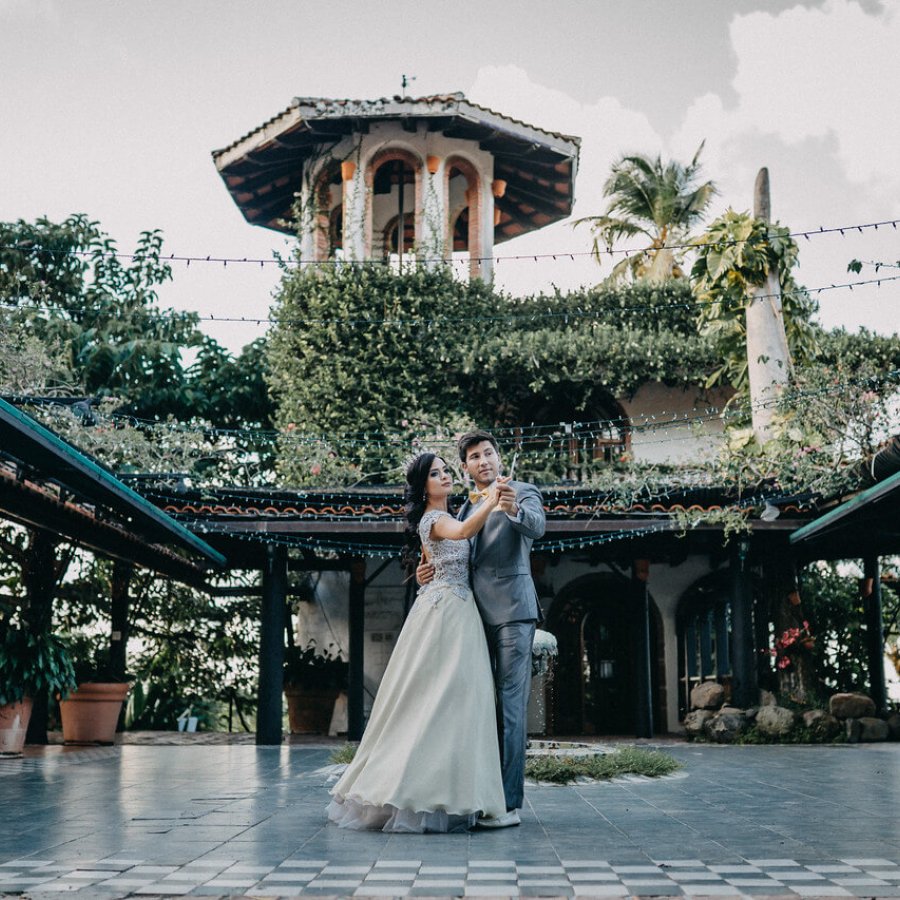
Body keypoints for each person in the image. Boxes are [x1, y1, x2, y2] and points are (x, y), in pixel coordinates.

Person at [326, 451, 507, 833]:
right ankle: (415, 789)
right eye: (435, 473)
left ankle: (455, 791)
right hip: (446, 617)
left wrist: (426, 573)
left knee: (457, 702)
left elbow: (435, 561)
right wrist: (492, 499)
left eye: (446, 471)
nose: (445, 477)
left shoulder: (448, 515)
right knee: (436, 699)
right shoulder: (436, 519)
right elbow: (461, 535)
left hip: (455, 610)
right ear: (423, 486)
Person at [418, 429, 546, 828]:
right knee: (476, 707)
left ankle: (508, 805)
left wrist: (511, 509)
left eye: (489, 453)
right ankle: (480, 794)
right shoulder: (459, 512)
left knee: (510, 706)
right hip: (471, 619)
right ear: (466, 467)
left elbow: (537, 528)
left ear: (498, 458)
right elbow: (454, 554)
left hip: (512, 612)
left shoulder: (521, 490)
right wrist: (428, 572)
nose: (484, 461)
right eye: (475, 456)